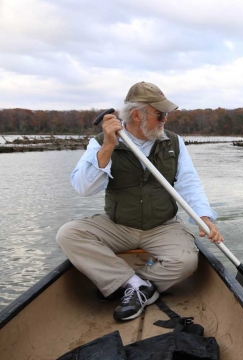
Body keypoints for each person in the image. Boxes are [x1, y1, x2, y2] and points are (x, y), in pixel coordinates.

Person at [56, 81, 223, 321]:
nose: (165, 119)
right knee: (68, 234)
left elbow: (189, 183)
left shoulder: (173, 142)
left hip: (162, 225)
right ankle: (134, 284)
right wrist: (108, 147)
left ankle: (131, 285)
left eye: (166, 114)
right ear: (136, 114)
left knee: (186, 262)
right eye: (160, 114)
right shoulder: (102, 142)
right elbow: (83, 188)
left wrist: (204, 218)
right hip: (118, 224)